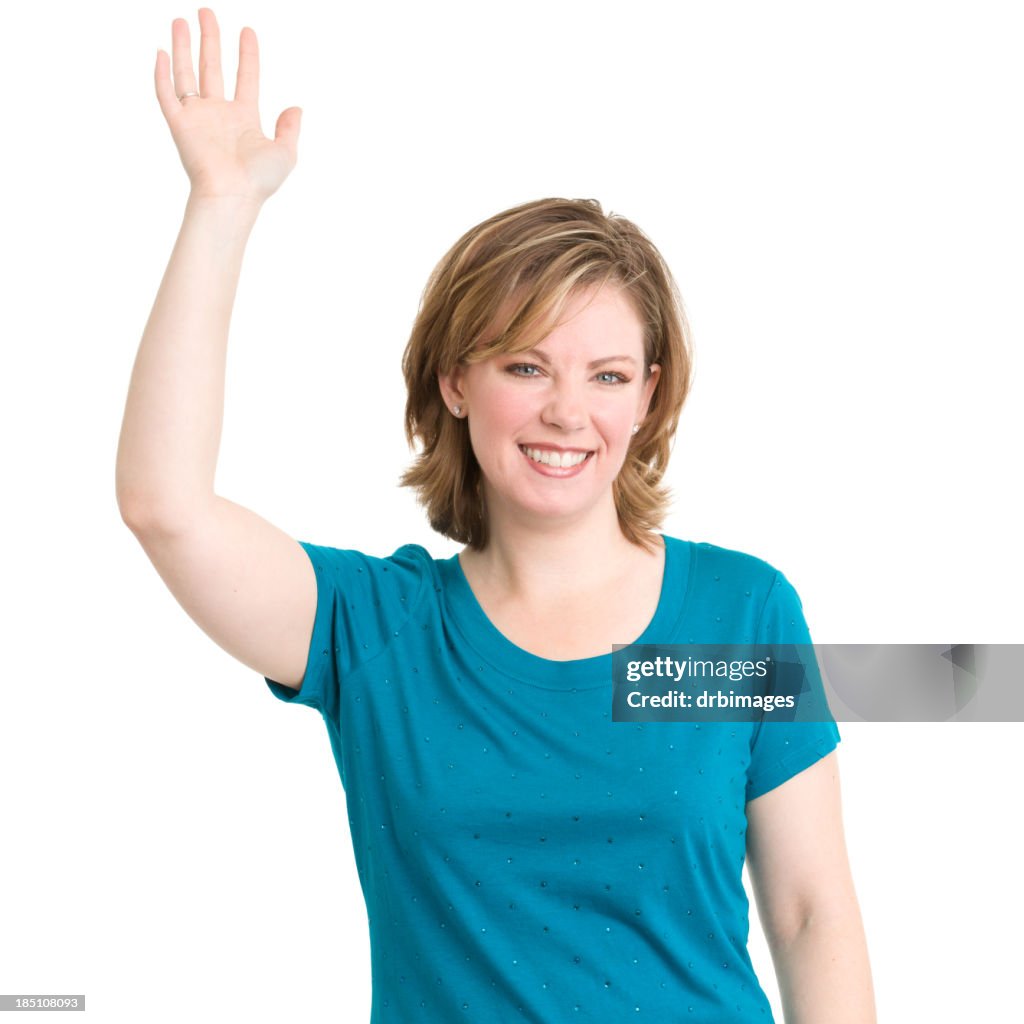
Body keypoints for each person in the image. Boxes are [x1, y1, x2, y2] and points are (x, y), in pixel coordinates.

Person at [116, 9, 876, 1022]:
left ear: (646, 396)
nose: (567, 410)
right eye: (526, 365)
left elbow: (809, 913)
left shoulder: (738, 614)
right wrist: (220, 203)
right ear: (456, 380)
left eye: (606, 374)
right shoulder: (373, 630)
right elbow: (164, 506)